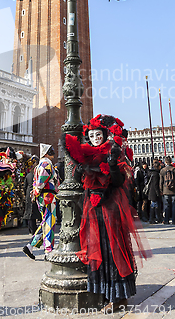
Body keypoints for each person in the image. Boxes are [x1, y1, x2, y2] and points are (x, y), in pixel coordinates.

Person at [64, 114, 149, 312]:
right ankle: (105, 293)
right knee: (99, 248)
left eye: (98, 135)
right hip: (93, 210)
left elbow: (120, 181)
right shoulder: (85, 154)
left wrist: (111, 166)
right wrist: (78, 166)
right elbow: (78, 178)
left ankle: (118, 297)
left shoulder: (114, 152)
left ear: (104, 135)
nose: (95, 138)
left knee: (113, 249)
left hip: (111, 208)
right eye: (92, 135)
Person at [23, 144, 59, 260]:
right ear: (46, 153)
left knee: (46, 222)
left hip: (45, 196)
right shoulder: (45, 164)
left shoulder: (41, 164)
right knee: (49, 222)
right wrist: (37, 190)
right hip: (47, 196)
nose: (53, 152)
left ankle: (30, 246)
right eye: (51, 151)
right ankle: (48, 250)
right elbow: (40, 182)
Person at [23, 155, 41, 234]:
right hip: (35, 193)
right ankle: (36, 229)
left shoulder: (28, 175)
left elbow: (25, 186)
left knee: (29, 211)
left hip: (28, 193)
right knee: (36, 211)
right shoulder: (37, 175)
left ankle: (31, 229)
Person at [160, 156, 175, 225]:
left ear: (165, 162)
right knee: (174, 206)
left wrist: (161, 190)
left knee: (166, 206)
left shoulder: (163, 170)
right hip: (174, 190)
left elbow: (161, 182)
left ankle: (166, 220)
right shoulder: (174, 169)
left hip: (165, 190)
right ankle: (174, 220)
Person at [148, 160, 162, 224]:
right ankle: (154, 218)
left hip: (151, 191)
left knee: (153, 205)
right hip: (154, 192)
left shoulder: (151, 172)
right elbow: (156, 185)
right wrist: (158, 193)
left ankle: (154, 218)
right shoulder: (156, 174)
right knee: (154, 206)